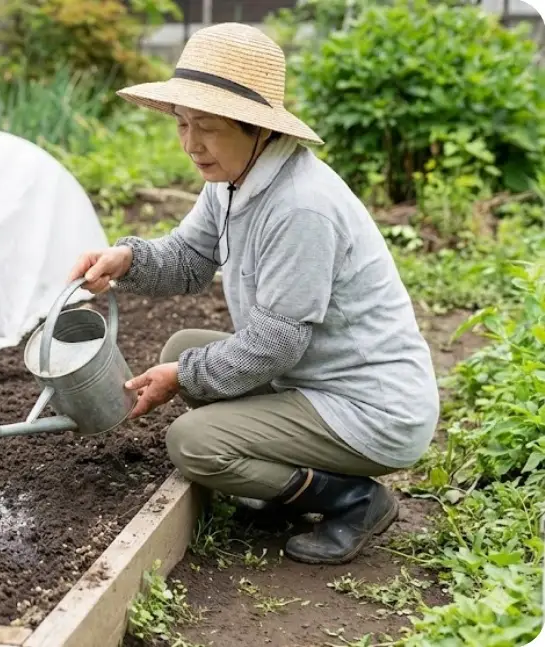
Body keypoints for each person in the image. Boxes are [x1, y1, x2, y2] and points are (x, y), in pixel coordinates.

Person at [68, 23, 439, 565]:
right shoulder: (233, 178)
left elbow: (278, 341)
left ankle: (355, 500)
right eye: (183, 125)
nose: (192, 145)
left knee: (193, 442)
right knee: (182, 347)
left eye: (209, 128)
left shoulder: (301, 207)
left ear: (257, 128)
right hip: (314, 376)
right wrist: (126, 259)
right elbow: (191, 259)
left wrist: (185, 377)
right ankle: (288, 488)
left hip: (371, 407)